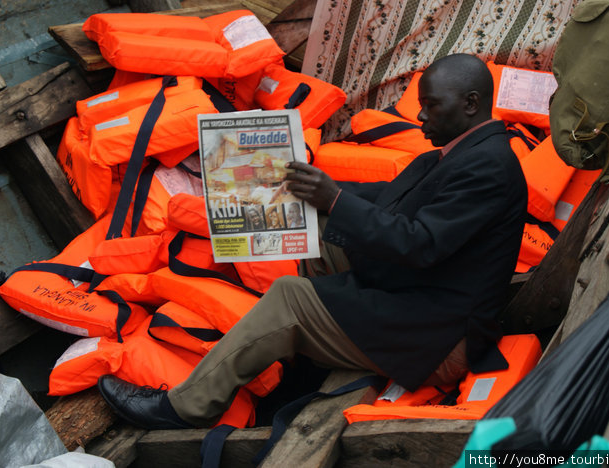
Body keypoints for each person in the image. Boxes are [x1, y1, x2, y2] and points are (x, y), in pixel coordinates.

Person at [97, 54, 528, 430]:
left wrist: (335, 198)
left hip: (437, 338)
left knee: (290, 296)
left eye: (432, 106)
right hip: (420, 298)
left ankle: (186, 408)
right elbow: (387, 197)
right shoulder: (462, 152)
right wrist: (309, 189)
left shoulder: (487, 169)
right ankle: (302, 344)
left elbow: (419, 244)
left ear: (470, 104)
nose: (421, 118)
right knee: (317, 226)